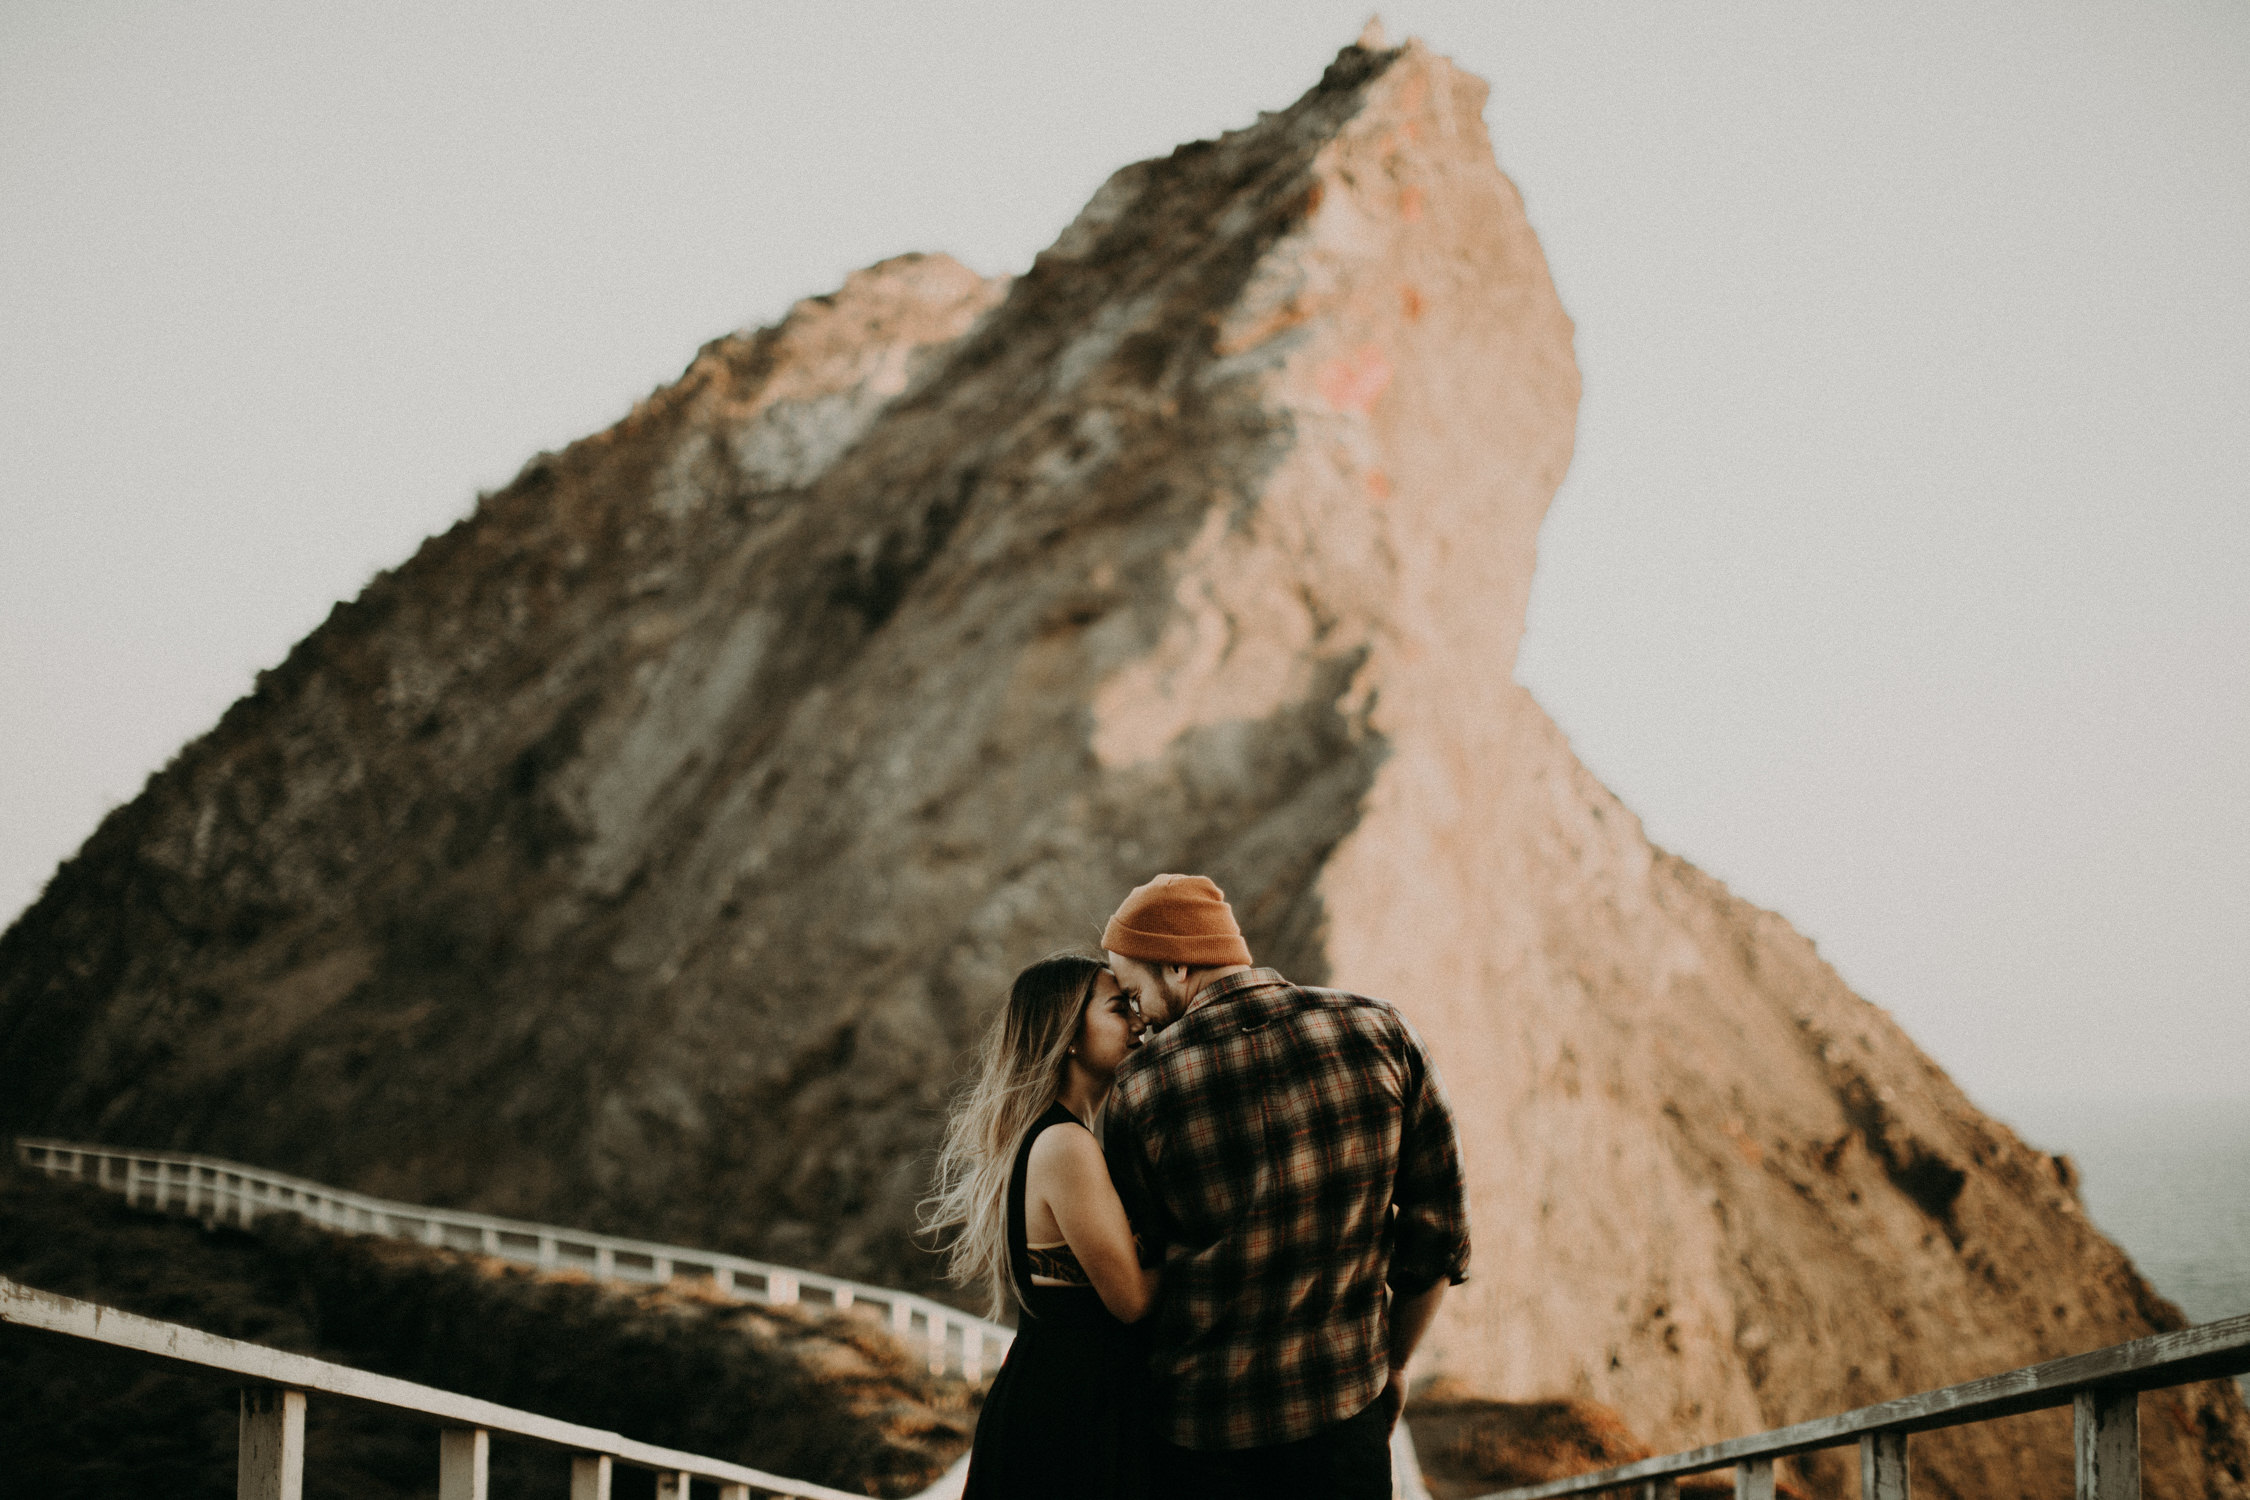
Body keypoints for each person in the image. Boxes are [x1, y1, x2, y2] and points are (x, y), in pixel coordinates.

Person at [1101, 874, 1471, 1499]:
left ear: (1175, 966)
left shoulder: (1139, 1089)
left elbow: (1140, 1263)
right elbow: (1438, 1233)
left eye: (1135, 992)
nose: (1137, 1016)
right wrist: (1396, 1364)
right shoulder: (1382, 1030)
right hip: (1342, 1419)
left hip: (1202, 1437)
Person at [922, 952, 1158, 1500]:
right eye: (1120, 1008)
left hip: (1065, 1400)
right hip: (1069, 1416)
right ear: (1068, 1034)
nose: (1140, 1022)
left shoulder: (1059, 1136)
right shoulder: (1065, 1144)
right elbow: (1131, 1300)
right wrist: (1221, 1249)